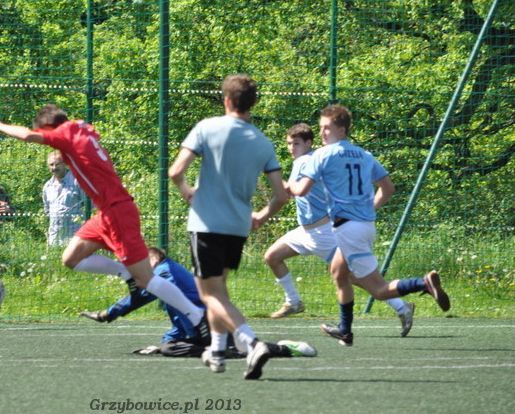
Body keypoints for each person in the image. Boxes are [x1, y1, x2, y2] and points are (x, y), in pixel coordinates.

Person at [0, 105, 209, 339]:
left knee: (146, 279)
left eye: (44, 133)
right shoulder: (81, 129)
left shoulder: (65, 134)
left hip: (118, 212)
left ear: (49, 128)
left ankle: (197, 316)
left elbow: (28, 136)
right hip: (106, 213)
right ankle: (126, 274)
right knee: (71, 258)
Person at [169, 74, 316, 380]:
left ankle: (252, 342)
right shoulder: (262, 142)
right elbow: (281, 195)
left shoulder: (207, 127)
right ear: (253, 103)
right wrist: (261, 215)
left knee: (209, 294)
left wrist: (185, 189)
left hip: (207, 222)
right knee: (219, 290)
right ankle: (217, 351)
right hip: (238, 226)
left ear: (226, 100)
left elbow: (176, 171)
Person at [287, 104, 450, 347]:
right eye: (321, 128)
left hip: (348, 229)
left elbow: (300, 190)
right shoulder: (364, 155)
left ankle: (422, 283)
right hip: (363, 225)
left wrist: (282, 184)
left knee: (379, 290)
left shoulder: (322, 154)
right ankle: (345, 330)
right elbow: (388, 188)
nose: (322, 133)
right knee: (339, 272)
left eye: (327, 128)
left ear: (342, 130)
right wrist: (367, 209)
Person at [265, 123, 415, 337]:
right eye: (289, 143)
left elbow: (289, 192)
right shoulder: (309, 160)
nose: (291, 148)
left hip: (322, 233)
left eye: (296, 143)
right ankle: (294, 302)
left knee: (353, 277)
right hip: (305, 231)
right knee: (272, 256)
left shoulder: (306, 161)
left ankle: (401, 306)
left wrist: (265, 170)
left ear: (309, 143)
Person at [81, 247, 316, 362]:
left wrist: (108, 314)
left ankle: (287, 348)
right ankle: (220, 351)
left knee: (247, 349)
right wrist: (160, 344)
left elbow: (140, 297)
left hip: (212, 326)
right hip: (199, 332)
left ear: (152, 260)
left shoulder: (165, 272)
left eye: (141, 262)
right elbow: (179, 321)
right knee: (168, 347)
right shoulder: (163, 278)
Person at [42, 151, 85, 248]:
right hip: (55, 238)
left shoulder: (77, 182)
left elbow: (89, 207)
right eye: (51, 165)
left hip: (75, 237)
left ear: (65, 163)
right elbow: (47, 210)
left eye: (57, 164)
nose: (54, 167)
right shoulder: (47, 187)